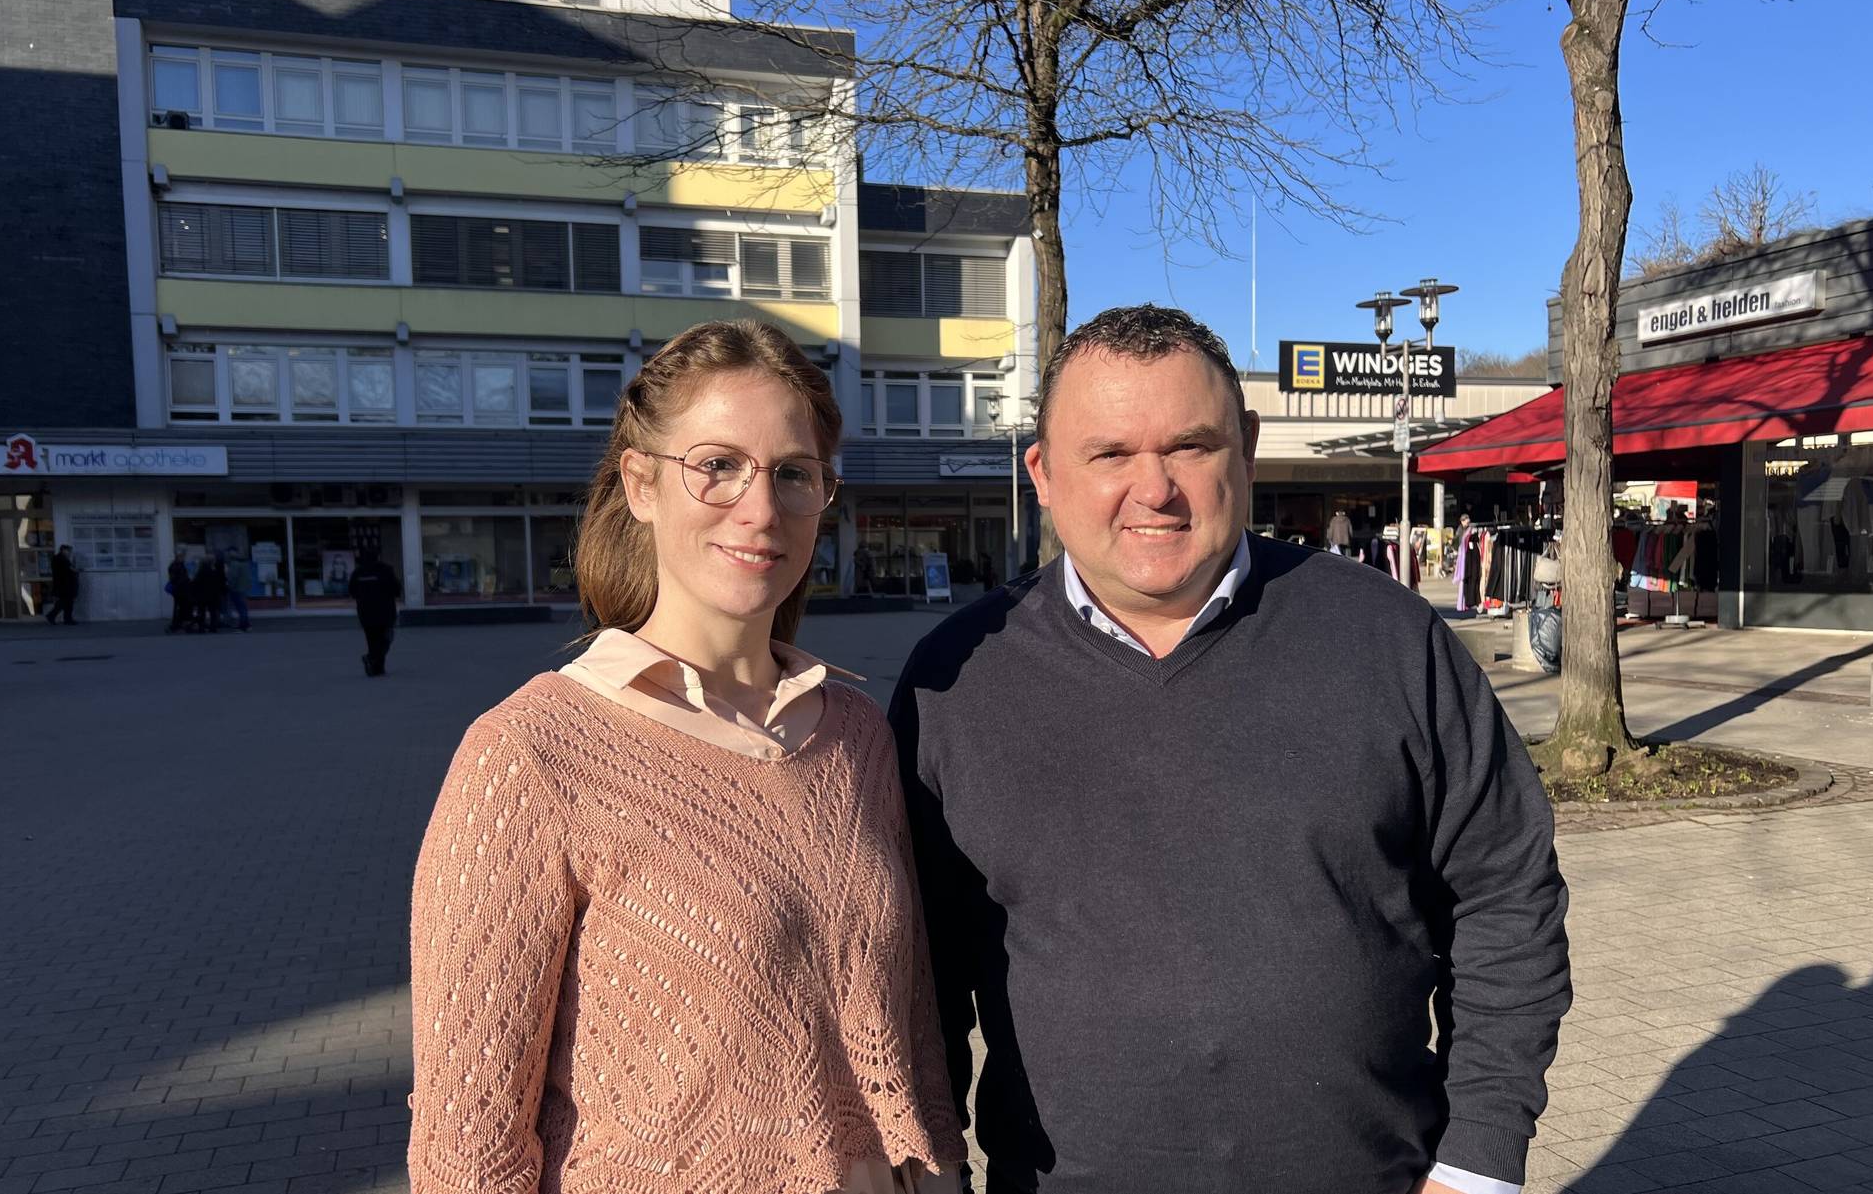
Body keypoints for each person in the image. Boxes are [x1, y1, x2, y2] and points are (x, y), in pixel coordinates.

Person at [893, 305, 1570, 1194]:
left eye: (1190, 446)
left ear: (1246, 447)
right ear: (1045, 473)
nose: (1155, 487)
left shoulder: (1387, 638)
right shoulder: (955, 681)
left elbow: (1505, 889)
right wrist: (929, 1162)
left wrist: (1478, 1160)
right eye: (1109, 454)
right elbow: (912, 976)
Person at [407, 321, 964, 1194]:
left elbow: (914, 1035)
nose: (760, 507)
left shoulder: (856, 733)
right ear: (641, 483)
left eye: (793, 473)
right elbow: (466, 1145)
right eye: (718, 464)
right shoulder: (530, 754)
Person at [346, 546, 401, 676]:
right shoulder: (386, 570)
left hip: (365, 612)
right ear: (378, 556)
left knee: (372, 639)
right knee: (385, 638)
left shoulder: (358, 572)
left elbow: (352, 592)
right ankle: (373, 660)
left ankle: (376, 667)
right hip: (385, 612)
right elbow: (396, 589)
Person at [43, 545, 79, 624]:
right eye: (68, 551)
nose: (69, 553)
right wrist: (76, 571)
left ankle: (65, 618)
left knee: (65, 602)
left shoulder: (59, 558)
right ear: (63, 550)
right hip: (65, 585)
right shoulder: (61, 559)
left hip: (64, 584)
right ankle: (56, 616)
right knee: (66, 602)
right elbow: (70, 570)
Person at [193, 554, 226, 633]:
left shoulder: (200, 571)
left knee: (202, 611)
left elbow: (196, 583)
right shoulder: (214, 571)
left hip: (202, 595)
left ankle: (201, 628)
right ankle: (213, 627)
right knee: (213, 611)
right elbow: (219, 582)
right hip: (213, 595)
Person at [166, 548, 195, 633]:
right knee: (180, 608)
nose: (183, 557)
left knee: (181, 608)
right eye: (182, 556)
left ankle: (179, 624)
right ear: (179, 556)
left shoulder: (177, 565)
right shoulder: (176, 566)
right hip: (180, 591)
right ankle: (177, 625)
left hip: (180, 590)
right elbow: (176, 579)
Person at [223, 548, 252, 632]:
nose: (226, 556)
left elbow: (232, 577)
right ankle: (246, 624)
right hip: (243, 588)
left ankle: (243, 626)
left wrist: (229, 586)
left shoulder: (234, 564)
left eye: (228, 554)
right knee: (243, 607)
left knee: (241, 608)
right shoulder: (245, 563)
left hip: (237, 589)